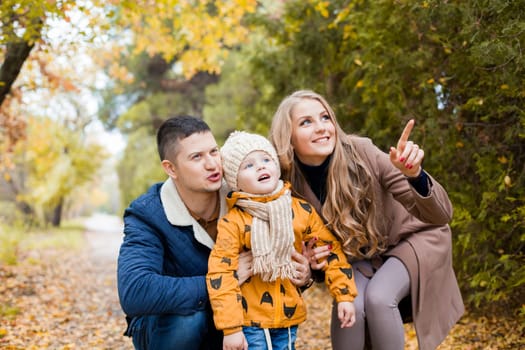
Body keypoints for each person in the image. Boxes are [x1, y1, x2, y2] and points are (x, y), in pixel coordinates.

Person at [269, 90, 464, 350]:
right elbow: (310, 259)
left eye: (325, 118)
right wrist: (312, 264)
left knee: (379, 298)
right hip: (363, 257)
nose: (321, 128)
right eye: (306, 122)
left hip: (413, 239)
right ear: (288, 137)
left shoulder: (361, 151)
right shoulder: (286, 184)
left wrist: (415, 175)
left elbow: (440, 215)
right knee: (348, 301)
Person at [117, 116, 312, 350]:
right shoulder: (148, 214)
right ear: (171, 168)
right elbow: (135, 291)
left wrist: (303, 274)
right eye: (196, 157)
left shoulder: (245, 195)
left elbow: (282, 253)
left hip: (240, 322)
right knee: (188, 319)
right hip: (170, 328)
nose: (212, 164)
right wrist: (224, 280)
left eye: (213, 152)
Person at [207, 131, 358, 350]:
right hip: (250, 319)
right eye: (248, 165)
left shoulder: (299, 211)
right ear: (234, 181)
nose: (260, 167)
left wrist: (344, 295)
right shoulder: (234, 223)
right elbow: (220, 274)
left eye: (266, 160)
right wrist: (231, 328)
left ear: (277, 166)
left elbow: (330, 250)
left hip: (288, 315)